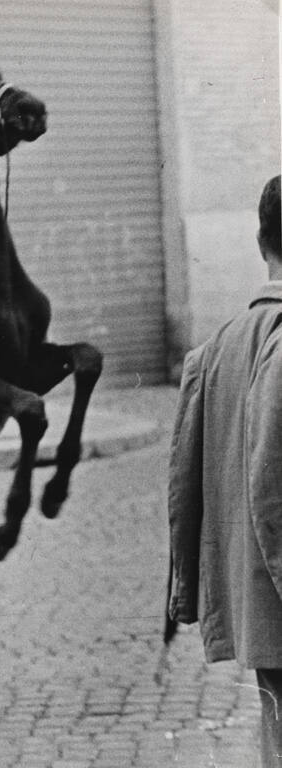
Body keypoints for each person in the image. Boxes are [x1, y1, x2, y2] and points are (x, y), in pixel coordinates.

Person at [168, 174, 282, 766]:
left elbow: (183, 486)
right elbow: (270, 483)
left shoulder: (219, 344)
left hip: (252, 597)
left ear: (262, 242)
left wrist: (189, 585)